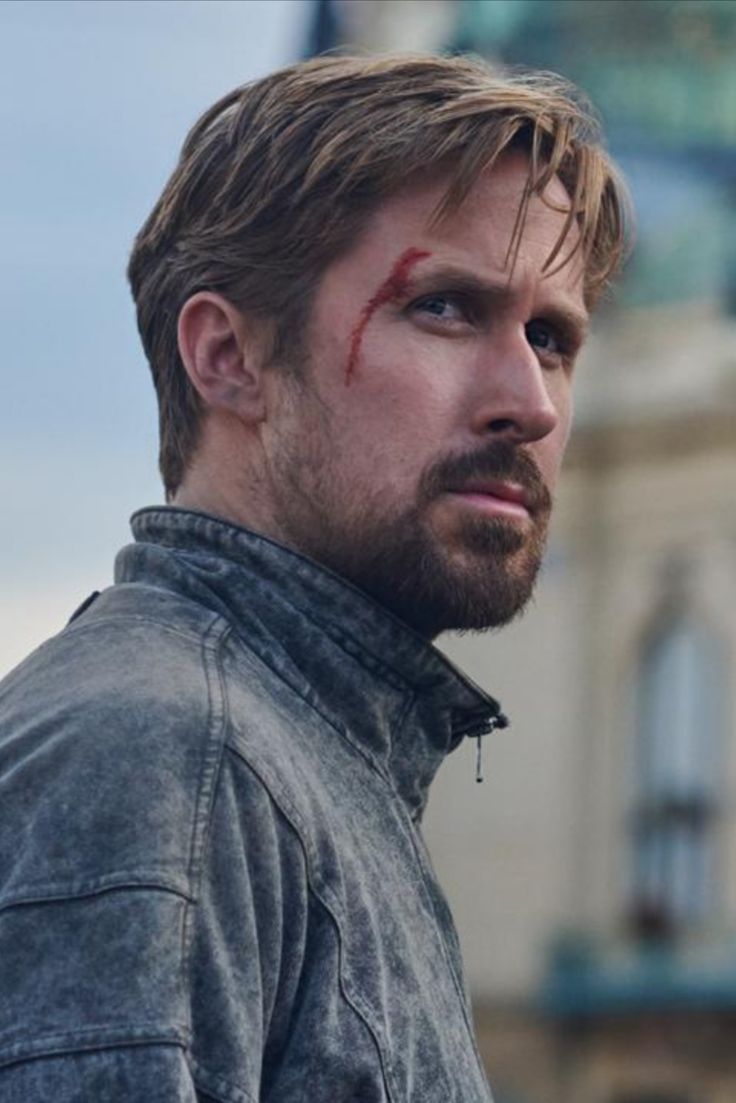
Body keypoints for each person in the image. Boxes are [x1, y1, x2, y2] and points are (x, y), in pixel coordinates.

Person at [0, 54, 628, 1101]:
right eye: (444, 308)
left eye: (550, 336)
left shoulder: (301, 758)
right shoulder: (169, 754)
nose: (533, 401)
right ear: (229, 356)